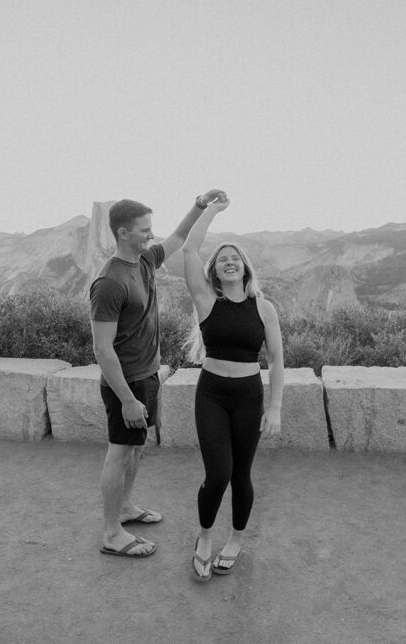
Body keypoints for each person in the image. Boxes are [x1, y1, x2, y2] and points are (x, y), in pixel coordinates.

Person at [90, 191, 227, 558]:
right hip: (126, 384)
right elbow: (102, 348)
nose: (151, 236)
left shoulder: (145, 261)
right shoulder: (109, 283)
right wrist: (128, 399)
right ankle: (111, 533)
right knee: (119, 453)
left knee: (135, 450)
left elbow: (178, 240)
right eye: (144, 230)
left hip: (147, 374)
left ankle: (125, 508)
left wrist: (199, 207)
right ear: (122, 233)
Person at [180, 196, 285, 581]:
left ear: (245, 267)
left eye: (235, 257)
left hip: (247, 397)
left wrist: (273, 408)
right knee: (218, 473)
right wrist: (212, 210)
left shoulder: (264, 308)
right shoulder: (207, 301)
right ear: (215, 270)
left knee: (242, 474)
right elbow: (189, 248)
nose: (228, 261)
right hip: (211, 395)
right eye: (222, 257)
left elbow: (275, 361)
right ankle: (205, 537)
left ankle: (236, 539)